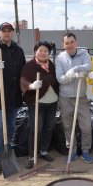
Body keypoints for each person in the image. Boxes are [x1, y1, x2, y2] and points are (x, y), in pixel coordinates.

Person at [0, 22, 26, 174]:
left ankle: (6, 154)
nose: (6, 33)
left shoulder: (18, 50)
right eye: (4, 31)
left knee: (10, 127)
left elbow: (23, 73)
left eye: (9, 31)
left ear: (12, 33)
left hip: (14, 97)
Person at [55, 32, 93, 163]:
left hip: (81, 96)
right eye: (67, 43)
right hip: (65, 97)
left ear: (76, 42)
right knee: (68, 126)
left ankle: (86, 150)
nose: (69, 45)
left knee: (86, 125)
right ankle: (72, 150)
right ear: (63, 44)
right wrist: (72, 75)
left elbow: (89, 67)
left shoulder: (84, 54)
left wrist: (76, 68)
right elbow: (60, 78)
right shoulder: (60, 58)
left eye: (72, 42)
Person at [20, 41, 59, 169]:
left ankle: (43, 151)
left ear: (49, 53)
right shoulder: (30, 66)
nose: (43, 53)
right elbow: (23, 80)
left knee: (48, 127)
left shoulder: (51, 65)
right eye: (40, 50)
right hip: (37, 103)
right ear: (35, 52)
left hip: (52, 102)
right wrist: (30, 86)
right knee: (36, 128)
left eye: (46, 51)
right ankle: (32, 156)